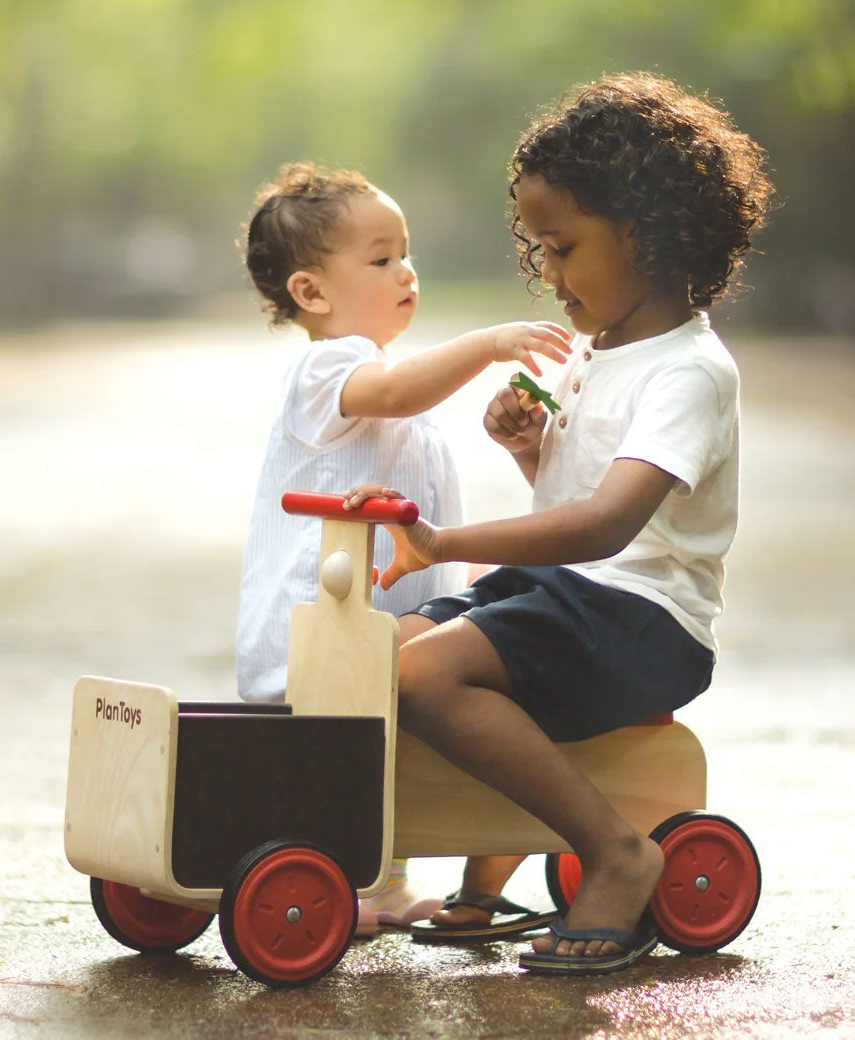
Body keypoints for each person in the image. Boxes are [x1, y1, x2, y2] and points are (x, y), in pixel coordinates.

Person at [344, 72, 774, 975]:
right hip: (572, 597)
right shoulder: (595, 351)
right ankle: (483, 852)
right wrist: (530, 450)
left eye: (565, 246)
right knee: (379, 657)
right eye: (537, 246)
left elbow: (607, 528)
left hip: (643, 620)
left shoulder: (688, 371)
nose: (547, 272)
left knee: (428, 677)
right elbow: (573, 498)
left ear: (651, 238)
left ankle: (616, 852)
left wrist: (447, 542)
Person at [235, 161, 570, 936]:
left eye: (405, 252)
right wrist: (488, 345)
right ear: (311, 294)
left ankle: (383, 882)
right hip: (321, 615)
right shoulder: (329, 368)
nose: (405, 271)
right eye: (380, 258)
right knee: (340, 755)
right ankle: (327, 871)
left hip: (385, 619)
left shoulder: (388, 383)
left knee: (382, 755)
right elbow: (395, 393)